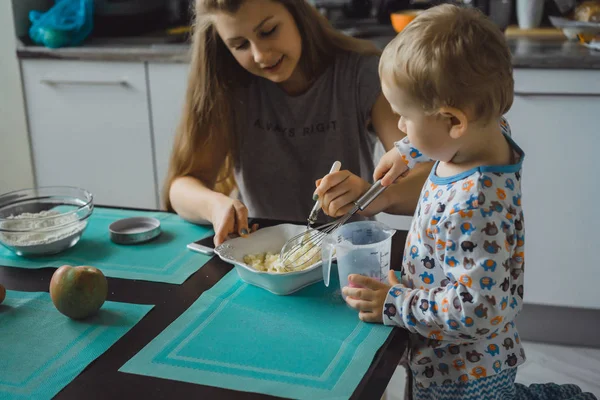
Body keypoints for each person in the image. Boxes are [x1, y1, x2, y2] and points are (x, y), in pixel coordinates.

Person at [317, 4, 596, 400]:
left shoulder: (473, 204)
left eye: (404, 118)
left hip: (463, 371)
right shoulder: (487, 133)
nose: (398, 126)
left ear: (453, 122)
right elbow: (488, 120)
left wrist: (395, 303)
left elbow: (475, 310)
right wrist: (408, 149)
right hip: (452, 351)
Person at [163, 0, 430, 246]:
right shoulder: (228, 84)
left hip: (346, 253)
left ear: (297, 13)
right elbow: (181, 187)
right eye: (240, 45)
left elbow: (431, 178)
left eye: (268, 31)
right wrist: (215, 206)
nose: (260, 55)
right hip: (259, 250)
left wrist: (374, 197)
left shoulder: (360, 73)